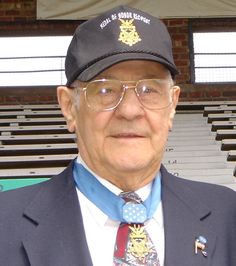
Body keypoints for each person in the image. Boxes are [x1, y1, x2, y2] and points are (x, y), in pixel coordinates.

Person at [0, 5, 235, 266]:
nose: (130, 110)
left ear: (172, 105)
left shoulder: (229, 215)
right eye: (105, 90)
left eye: (149, 89)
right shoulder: (4, 222)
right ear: (69, 108)